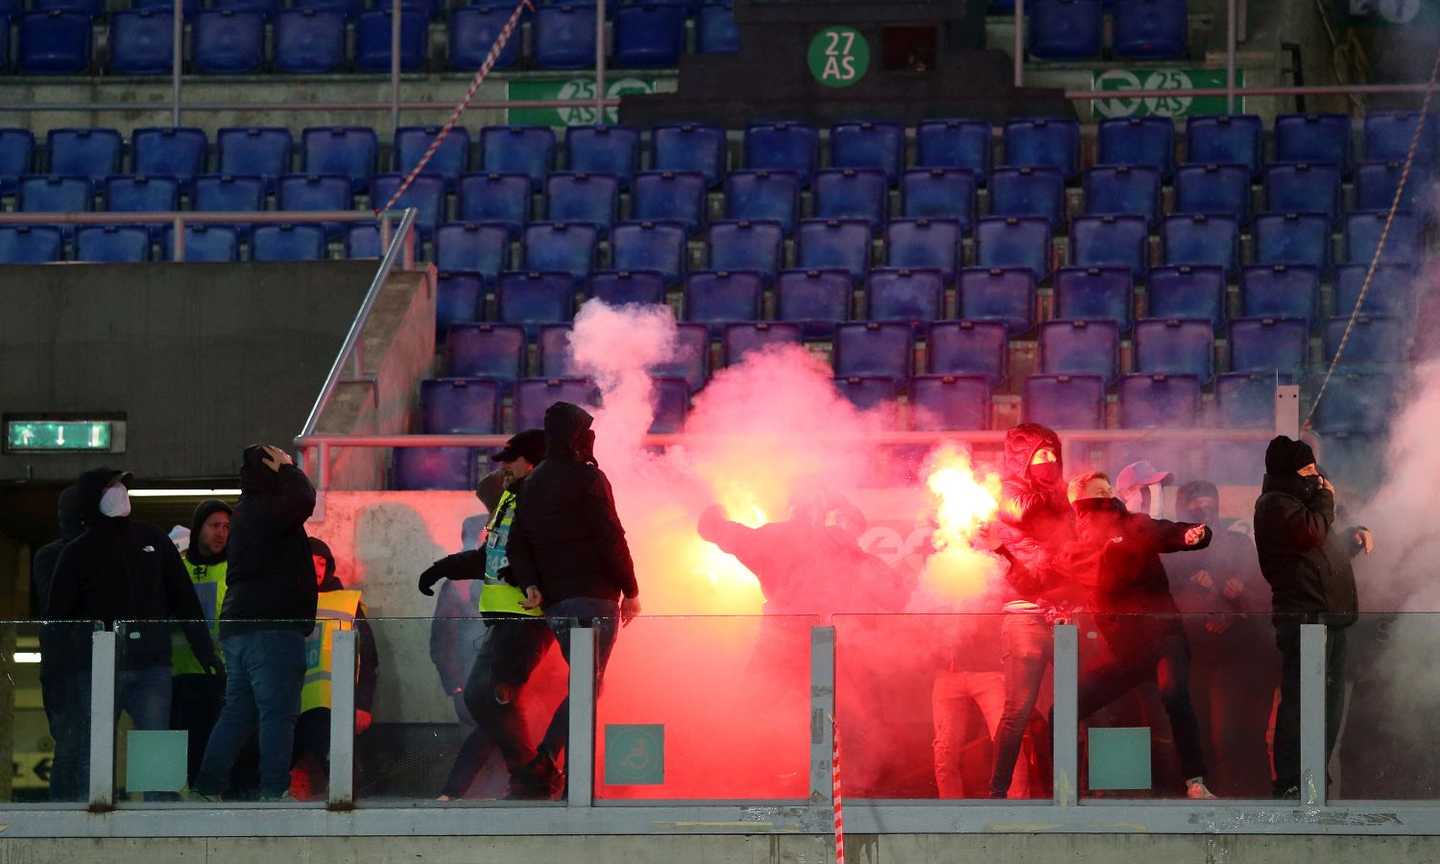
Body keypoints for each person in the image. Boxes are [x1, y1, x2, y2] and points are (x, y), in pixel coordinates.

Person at [48, 469, 221, 797]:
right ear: (93, 497)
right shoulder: (78, 552)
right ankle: (96, 814)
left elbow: (183, 599)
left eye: (122, 485)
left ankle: (159, 821)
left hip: (151, 665)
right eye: (112, 486)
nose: (121, 491)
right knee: (94, 749)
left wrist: (205, 651)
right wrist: (62, 671)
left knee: (155, 745)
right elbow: (59, 619)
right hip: (97, 668)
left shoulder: (152, 539)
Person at [506, 403, 641, 798]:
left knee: (583, 685)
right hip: (597, 600)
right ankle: (551, 765)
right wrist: (631, 589)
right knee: (588, 688)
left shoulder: (532, 482)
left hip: (557, 605)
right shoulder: (589, 478)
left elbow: (518, 543)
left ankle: (560, 774)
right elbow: (611, 536)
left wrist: (532, 585)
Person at [1066, 471, 1216, 799]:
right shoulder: (1076, 542)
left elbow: (1163, 531)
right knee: (1064, 707)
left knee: (1174, 694)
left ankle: (1196, 782)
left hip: (1164, 636)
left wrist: (1191, 535)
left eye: (1109, 489)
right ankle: (1061, 788)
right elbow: (1050, 575)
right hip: (1125, 650)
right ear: (1081, 503)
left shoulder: (1133, 524)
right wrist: (1004, 552)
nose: (1109, 494)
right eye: (1100, 491)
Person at [418, 429, 551, 800]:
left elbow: (517, 557)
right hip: (508, 621)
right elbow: (490, 559)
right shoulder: (509, 506)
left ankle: (529, 778)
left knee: (490, 700)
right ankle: (530, 778)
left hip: (524, 620)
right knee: (490, 702)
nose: (504, 470)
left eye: (510, 464)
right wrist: (444, 567)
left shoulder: (530, 505)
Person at [194, 445, 318, 801]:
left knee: (238, 712)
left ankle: (208, 786)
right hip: (272, 626)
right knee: (278, 713)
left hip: (241, 626)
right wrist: (290, 470)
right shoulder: (268, 508)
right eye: (277, 460)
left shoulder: (248, 511)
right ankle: (274, 789)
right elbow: (304, 500)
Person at [1254, 436, 1370, 799]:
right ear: (1289, 472)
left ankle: (1314, 774)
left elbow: (1320, 552)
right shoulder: (1275, 505)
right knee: (1301, 704)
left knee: (1329, 707)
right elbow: (1310, 534)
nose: (1317, 477)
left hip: (1330, 618)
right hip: (1305, 620)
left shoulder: (1304, 507)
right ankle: (1291, 780)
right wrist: (1326, 498)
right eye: (1307, 470)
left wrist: (1350, 541)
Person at [982, 423, 1077, 799]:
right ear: (1023, 459)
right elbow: (1023, 512)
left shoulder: (1059, 495)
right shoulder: (1008, 491)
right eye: (1041, 455)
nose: (1050, 462)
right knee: (1018, 710)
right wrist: (1059, 493)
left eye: (1054, 454)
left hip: (1064, 612)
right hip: (1025, 613)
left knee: (1074, 705)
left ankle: (1068, 790)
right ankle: (998, 792)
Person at [1166, 480, 1276, 797]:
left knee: (1230, 735)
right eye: (1195, 503)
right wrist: (1197, 597)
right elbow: (1161, 598)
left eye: (1208, 502)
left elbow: (1263, 596)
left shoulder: (1239, 544)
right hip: (1187, 656)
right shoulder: (1172, 548)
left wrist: (1236, 603)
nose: (1203, 508)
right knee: (1194, 736)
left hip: (1235, 657)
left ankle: (1235, 806)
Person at [288, 538, 378, 800]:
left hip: (333, 705)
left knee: (341, 773)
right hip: (292, 703)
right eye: (310, 561)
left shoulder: (346, 602)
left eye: (322, 562)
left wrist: (363, 704)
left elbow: (369, 658)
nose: (316, 568)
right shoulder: (284, 601)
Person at [171, 500, 233, 787]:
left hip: (223, 676)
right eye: (214, 526)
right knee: (180, 761)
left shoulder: (235, 570)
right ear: (198, 530)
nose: (221, 533)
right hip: (179, 677)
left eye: (227, 527)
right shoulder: (175, 569)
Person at [31, 486, 87, 801]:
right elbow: (58, 606)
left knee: (80, 745)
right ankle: (65, 808)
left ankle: (72, 803)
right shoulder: (52, 556)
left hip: (75, 664)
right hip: (64, 666)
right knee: (70, 743)